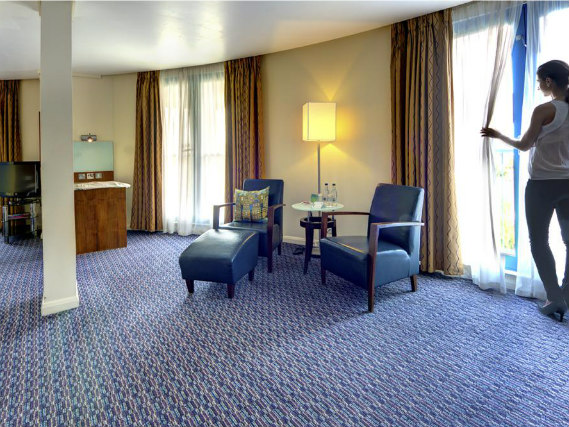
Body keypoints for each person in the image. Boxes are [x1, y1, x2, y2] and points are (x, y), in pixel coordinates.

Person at [481, 59, 569, 321]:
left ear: (549, 81)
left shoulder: (545, 110)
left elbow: (524, 145)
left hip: (542, 185)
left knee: (538, 241)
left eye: (540, 81)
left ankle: (554, 297)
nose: (538, 86)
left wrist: (498, 135)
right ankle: (565, 294)